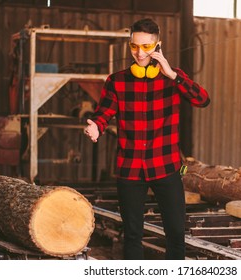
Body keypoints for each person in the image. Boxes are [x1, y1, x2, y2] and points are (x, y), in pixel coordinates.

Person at [84, 18, 210, 260]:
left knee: (175, 234)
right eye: (134, 46)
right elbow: (103, 114)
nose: (139, 53)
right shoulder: (117, 81)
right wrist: (96, 127)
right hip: (130, 169)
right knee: (132, 235)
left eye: (146, 47)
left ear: (158, 46)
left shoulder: (173, 79)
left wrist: (174, 75)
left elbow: (203, 99)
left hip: (166, 167)